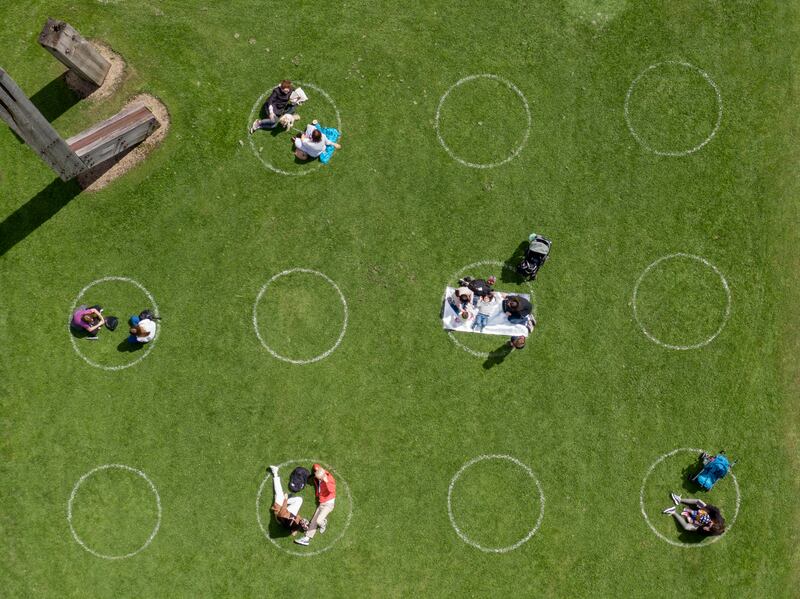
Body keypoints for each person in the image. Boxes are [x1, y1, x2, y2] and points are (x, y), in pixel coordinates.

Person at [294, 463, 336, 546]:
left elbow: (332, 490)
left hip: (329, 504)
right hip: (322, 502)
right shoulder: (320, 475)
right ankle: (306, 539)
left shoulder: (330, 479)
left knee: (319, 520)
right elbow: (315, 466)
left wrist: (326, 481)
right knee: (313, 521)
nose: (317, 479)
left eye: (319, 478)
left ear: (322, 476)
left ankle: (323, 524)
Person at [268, 465, 310, 534]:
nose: (303, 520)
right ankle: (285, 499)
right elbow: (294, 529)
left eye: (303, 523)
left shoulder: (287, 518)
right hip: (287, 514)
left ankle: (275, 472)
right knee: (299, 500)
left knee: (279, 493)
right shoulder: (296, 525)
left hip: (279, 512)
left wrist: (285, 499)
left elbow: (282, 512)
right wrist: (295, 530)